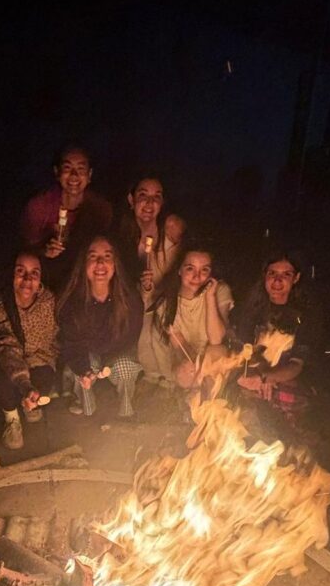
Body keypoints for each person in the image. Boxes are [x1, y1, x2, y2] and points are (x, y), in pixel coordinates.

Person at [0, 252, 59, 450]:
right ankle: (11, 417)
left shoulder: (48, 301)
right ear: (10, 274)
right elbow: (6, 347)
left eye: (34, 273)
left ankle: (30, 404)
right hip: (7, 363)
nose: (28, 279)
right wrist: (24, 383)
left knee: (44, 380)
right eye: (21, 272)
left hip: (39, 359)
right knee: (3, 381)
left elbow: (52, 342)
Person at [57, 236, 143, 419]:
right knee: (80, 373)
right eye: (93, 256)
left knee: (125, 368)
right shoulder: (72, 301)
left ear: (115, 264)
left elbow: (130, 338)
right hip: (88, 353)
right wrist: (85, 371)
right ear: (84, 264)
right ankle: (87, 407)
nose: (100, 263)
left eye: (107, 256)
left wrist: (107, 363)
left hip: (118, 353)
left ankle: (126, 412)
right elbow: (71, 344)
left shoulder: (129, 298)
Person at [232, 252, 322, 417]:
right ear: (265, 276)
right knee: (234, 383)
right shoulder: (252, 309)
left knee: (292, 397)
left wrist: (268, 377)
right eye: (272, 273)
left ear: (296, 278)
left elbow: (296, 365)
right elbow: (245, 348)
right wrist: (262, 373)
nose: (277, 280)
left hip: (285, 378)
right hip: (255, 372)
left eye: (286, 274)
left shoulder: (306, 315)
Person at [117, 175, 187, 382]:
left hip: (172, 299)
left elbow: (190, 261)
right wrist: (143, 286)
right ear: (131, 200)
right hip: (145, 301)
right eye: (143, 195)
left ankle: (172, 380)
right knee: (143, 338)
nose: (150, 203)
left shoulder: (171, 227)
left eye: (156, 197)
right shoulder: (126, 236)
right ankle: (152, 378)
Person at [20, 144, 113, 291]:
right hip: (46, 280)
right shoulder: (39, 207)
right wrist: (44, 251)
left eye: (81, 169)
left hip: (84, 283)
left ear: (89, 175)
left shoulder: (100, 209)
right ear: (57, 172)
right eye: (68, 168)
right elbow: (25, 252)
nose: (74, 175)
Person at [143, 247, 233, 393]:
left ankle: (211, 399)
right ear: (180, 270)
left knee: (217, 353)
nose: (197, 277)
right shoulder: (167, 303)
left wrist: (210, 297)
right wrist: (192, 366)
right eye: (190, 269)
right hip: (188, 356)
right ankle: (191, 397)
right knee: (185, 376)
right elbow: (180, 346)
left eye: (204, 270)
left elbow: (216, 339)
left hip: (215, 356)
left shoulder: (220, 291)